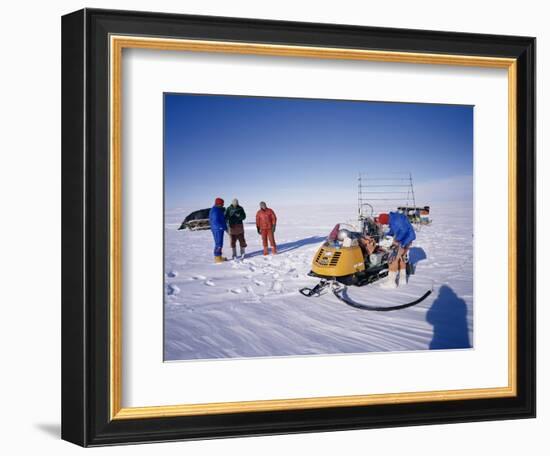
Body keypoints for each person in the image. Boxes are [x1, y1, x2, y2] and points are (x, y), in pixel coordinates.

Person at [380, 211, 416, 289]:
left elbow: (403, 231)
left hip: (404, 240)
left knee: (392, 259)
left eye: (384, 223)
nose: (385, 225)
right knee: (401, 258)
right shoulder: (394, 218)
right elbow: (394, 230)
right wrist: (387, 235)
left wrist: (396, 241)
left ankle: (391, 283)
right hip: (408, 239)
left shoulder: (395, 221)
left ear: (385, 220)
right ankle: (403, 280)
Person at [209, 197, 227, 263]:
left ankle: (219, 256)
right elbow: (216, 221)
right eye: (222, 203)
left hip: (218, 228)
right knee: (219, 243)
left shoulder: (217, 209)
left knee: (219, 243)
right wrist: (222, 227)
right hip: (217, 229)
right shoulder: (215, 210)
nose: (223, 205)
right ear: (219, 203)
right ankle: (217, 258)